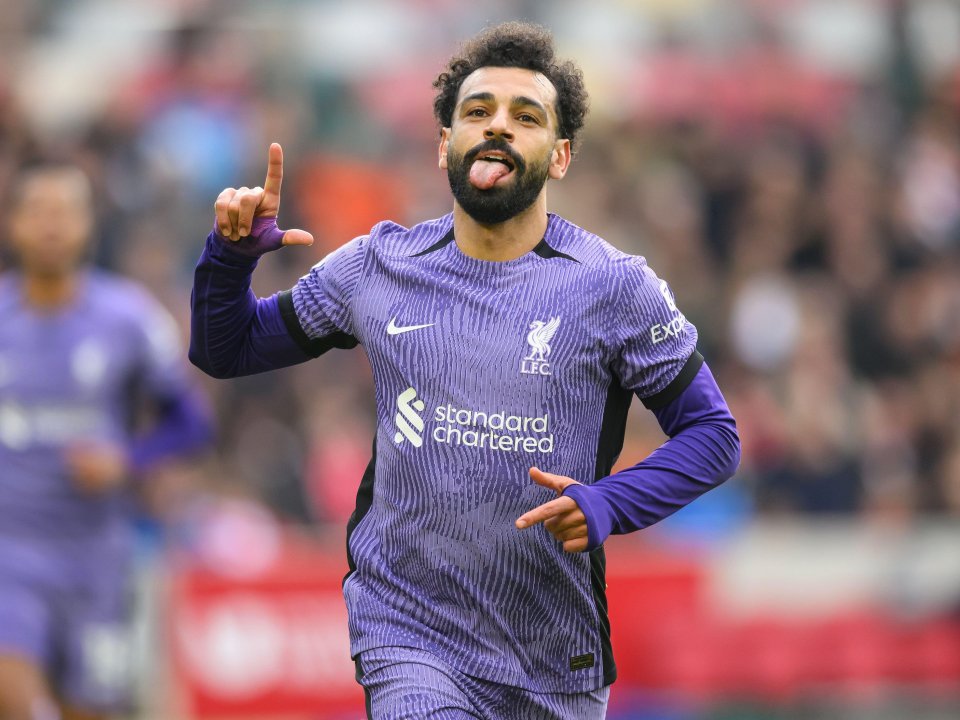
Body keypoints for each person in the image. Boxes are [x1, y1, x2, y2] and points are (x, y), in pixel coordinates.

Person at [190, 22, 740, 720]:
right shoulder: (377, 266)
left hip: (553, 655)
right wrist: (229, 259)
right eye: (477, 112)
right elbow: (227, 348)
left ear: (561, 154)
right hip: (409, 631)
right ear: (444, 144)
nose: (498, 128)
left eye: (526, 116)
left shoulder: (615, 288)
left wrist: (610, 502)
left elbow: (714, 436)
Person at [0, 163, 213, 720]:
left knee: (91, 709)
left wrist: (128, 461)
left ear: (87, 224)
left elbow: (192, 422)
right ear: (12, 224)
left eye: (64, 212)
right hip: (9, 552)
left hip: (95, 556)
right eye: (37, 211)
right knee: (15, 697)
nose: (51, 225)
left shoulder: (128, 319)